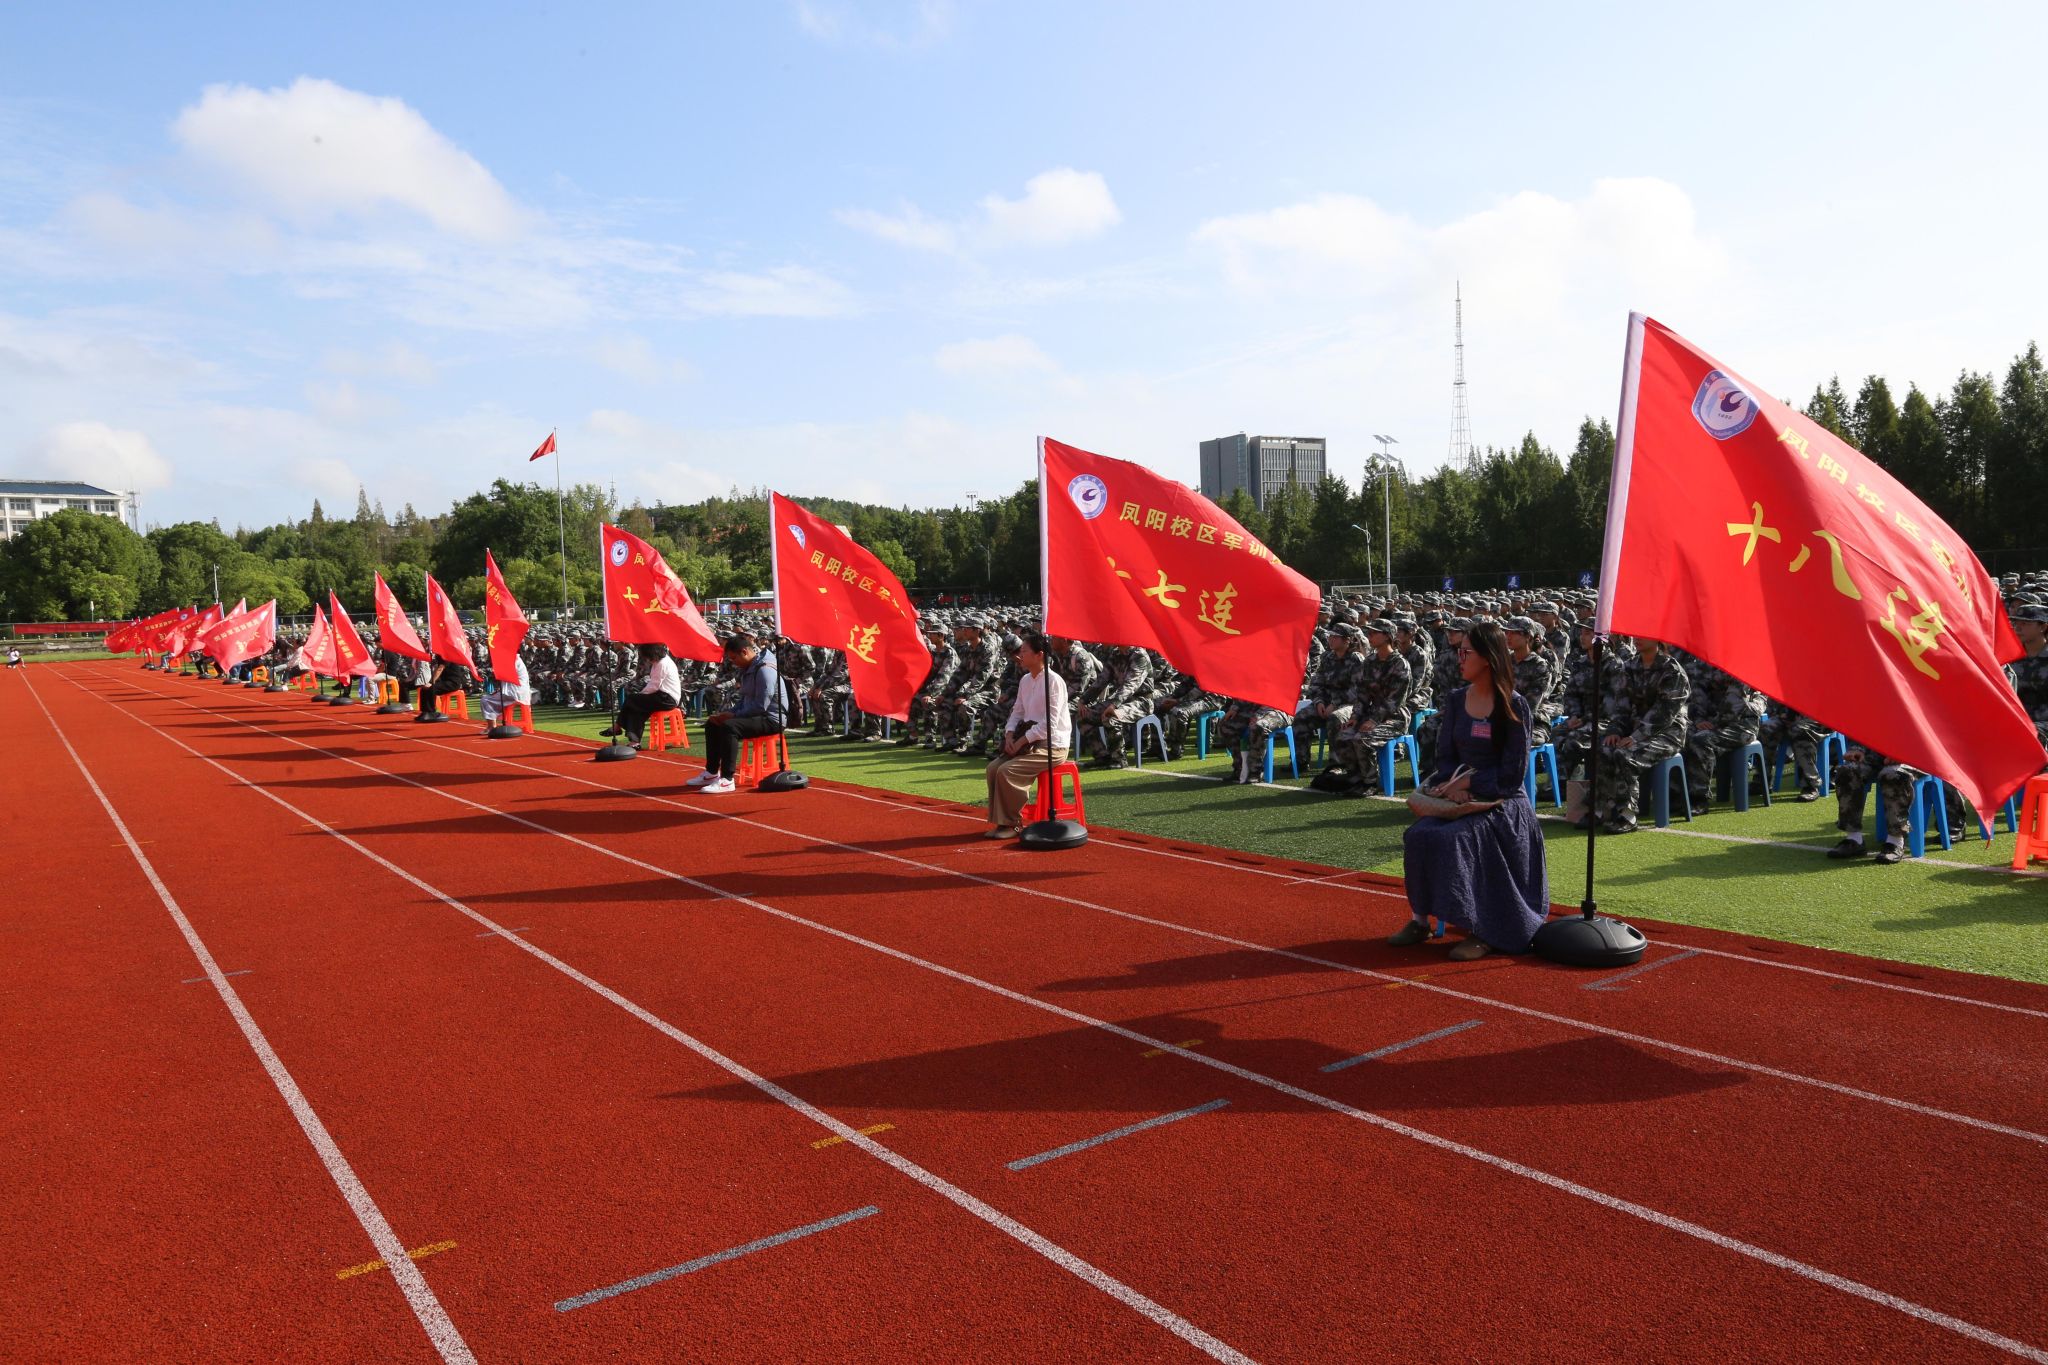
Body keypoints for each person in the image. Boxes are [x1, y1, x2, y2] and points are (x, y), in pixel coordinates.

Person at [1392, 620, 1550, 960]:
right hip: (1458, 796)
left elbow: (1513, 773)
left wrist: (1472, 784)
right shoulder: (1456, 699)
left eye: (1466, 653)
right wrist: (1454, 787)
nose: (1459, 659)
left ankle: (1485, 929)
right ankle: (1420, 920)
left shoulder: (1513, 705)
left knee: (1458, 839)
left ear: (1488, 658)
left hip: (1502, 802)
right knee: (1419, 834)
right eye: (1459, 652)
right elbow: (1445, 756)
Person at [984, 632, 1071, 838]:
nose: (1019, 655)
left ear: (1039, 655)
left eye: (1024, 651)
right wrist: (1009, 735)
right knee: (993, 768)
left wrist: (1021, 740)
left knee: (1007, 771)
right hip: (1027, 742)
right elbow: (1017, 711)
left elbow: (1049, 724)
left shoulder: (1053, 681)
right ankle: (1002, 823)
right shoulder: (1025, 680)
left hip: (1052, 746)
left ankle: (1013, 824)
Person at [690, 634, 783, 794]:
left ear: (744, 652)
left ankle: (727, 779)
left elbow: (761, 706)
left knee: (729, 727)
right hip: (757, 715)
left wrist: (733, 716)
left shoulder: (765, 670)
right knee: (713, 723)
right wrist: (728, 713)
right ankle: (711, 773)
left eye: (734, 658)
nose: (733, 662)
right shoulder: (748, 668)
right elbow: (744, 700)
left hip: (772, 718)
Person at [604, 643, 681, 747]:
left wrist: (640, 695)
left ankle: (617, 727)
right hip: (661, 695)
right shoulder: (660, 661)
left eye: (647, 657)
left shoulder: (662, 664)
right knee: (636, 709)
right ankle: (634, 741)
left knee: (632, 699)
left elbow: (654, 685)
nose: (647, 660)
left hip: (667, 698)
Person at [482, 652, 533, 729]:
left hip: (514, 693)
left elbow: (502, 674)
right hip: (517, 692)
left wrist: (485, 671)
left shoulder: (512, 661)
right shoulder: (515, 659)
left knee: (485, 700)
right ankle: (497, 722)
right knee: (492, 697)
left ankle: (491, 726)